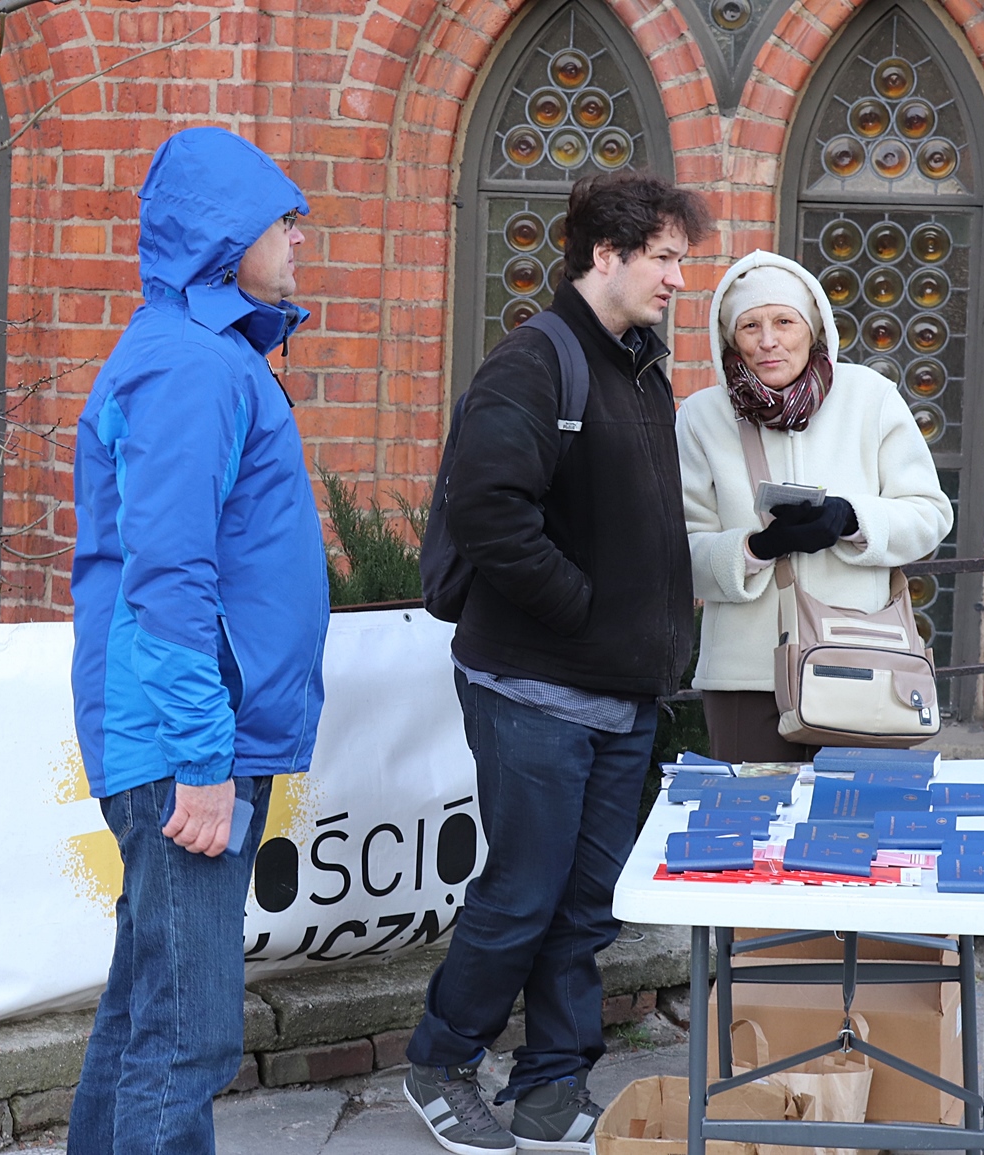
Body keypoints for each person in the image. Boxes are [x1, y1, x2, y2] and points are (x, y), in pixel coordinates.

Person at [404, 171, 713, 1155]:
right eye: (663, 258)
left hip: (620, 694)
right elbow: (487, 509)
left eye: (680, 259)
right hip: (534, 687)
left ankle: (550, 1087)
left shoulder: (640, 368)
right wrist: (579, 610)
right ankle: (440, 1061)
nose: (678, 278)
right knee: (523, 895)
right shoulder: (535, 361)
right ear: (605, 255)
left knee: (584, 907)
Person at [67, 127, 329, 1155]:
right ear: (225, 234)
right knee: (188, 1035)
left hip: (189, 733)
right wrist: (203, 759)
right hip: (184, 743)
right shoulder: (189, 362)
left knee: (148, 1009)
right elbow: (167, 574)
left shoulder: (208, 352)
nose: (299, 238)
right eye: (282, 220)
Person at [675, 249, 954, 762]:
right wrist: (756, 549)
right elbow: (679, 551)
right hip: (746, 680)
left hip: (862, 664)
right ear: (730, 340)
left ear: (815, 328)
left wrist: (853, 520)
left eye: (784, 321)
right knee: (753, 814)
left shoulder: (870, 398)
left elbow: (930, 515)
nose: (768, 340)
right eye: (750, 326)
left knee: (854, 814)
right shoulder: (701, 417)